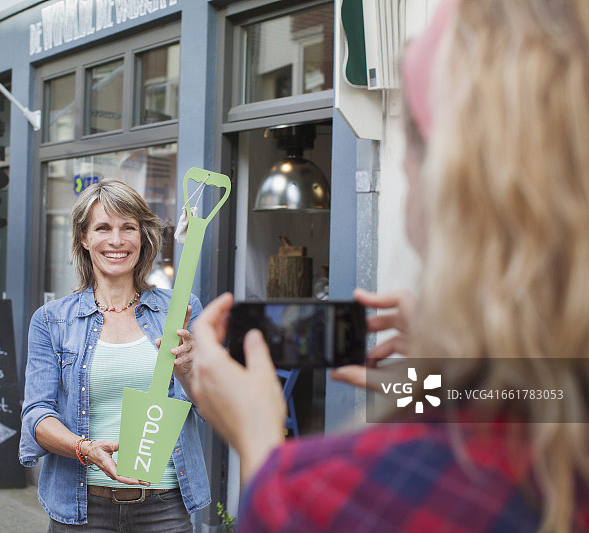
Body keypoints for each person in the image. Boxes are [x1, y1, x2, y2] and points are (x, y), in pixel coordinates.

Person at [189, 0, 589, 531]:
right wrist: (444, 386)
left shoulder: (344, 493)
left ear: (450, 182)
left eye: (411, 136)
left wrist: (259, 445)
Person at [20, 178, 210, 531]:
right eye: (103, 228)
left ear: (143, 237)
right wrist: (84, 448)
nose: (117, 240)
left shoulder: (180, 310)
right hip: (82, 505)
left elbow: (211, 407)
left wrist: (187, 370)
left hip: (164, 506)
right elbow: (37, 416)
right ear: (84, 238)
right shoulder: (52, 320)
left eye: (128, 228)